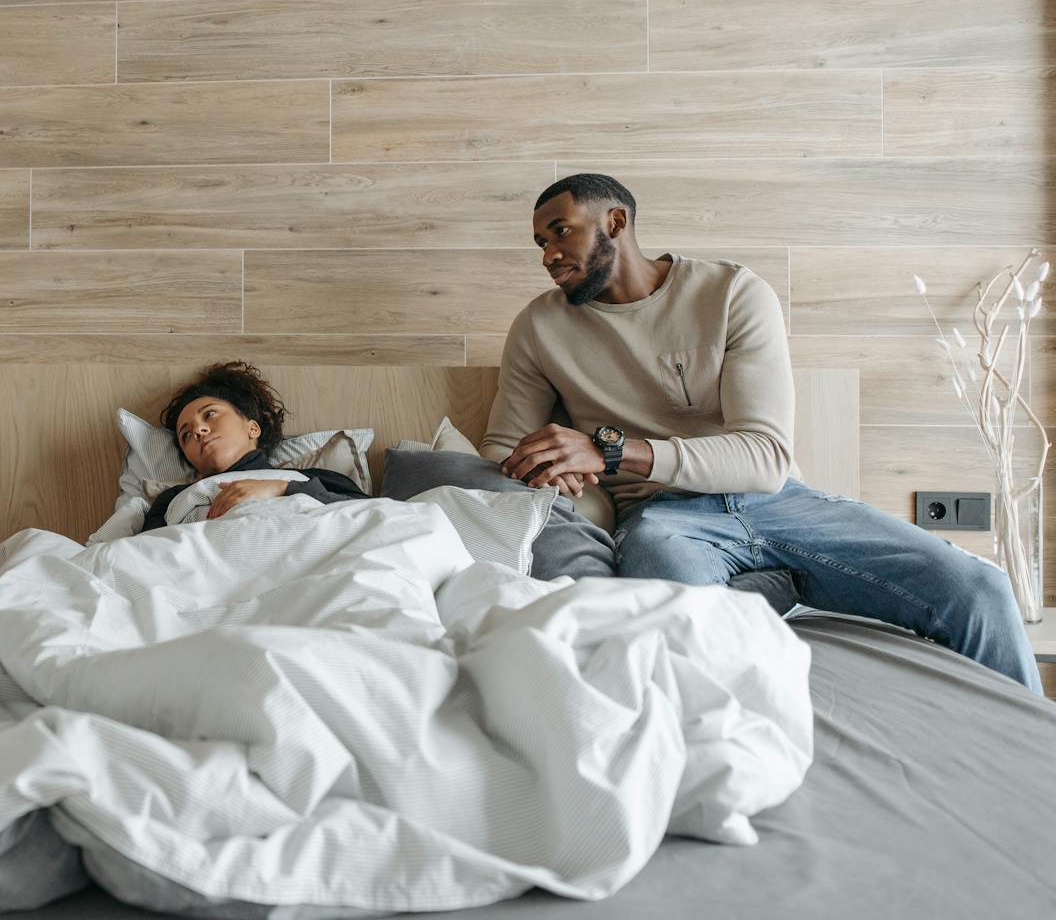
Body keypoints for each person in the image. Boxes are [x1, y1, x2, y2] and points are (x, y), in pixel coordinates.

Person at [481, 172, 1041, 692]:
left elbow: (765, 456)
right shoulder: (538, 327)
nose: (550, 255)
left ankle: (1039, 773)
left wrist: (606, 452)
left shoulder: (730, 294)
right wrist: (554, 472)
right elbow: (500, 452)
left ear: (616, 223)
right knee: (685, 633)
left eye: (561, 233)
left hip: (781, 502)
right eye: (540, 244)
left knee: (981, 591)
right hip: (662, 521)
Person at [143, 362, 369, 530]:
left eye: (210, 414)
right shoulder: (171, 501)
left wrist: (280, 489)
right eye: (186, 435)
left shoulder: (313, 479)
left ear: (252, 428)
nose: (198, 431)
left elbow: (370, 515)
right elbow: (148, 555)